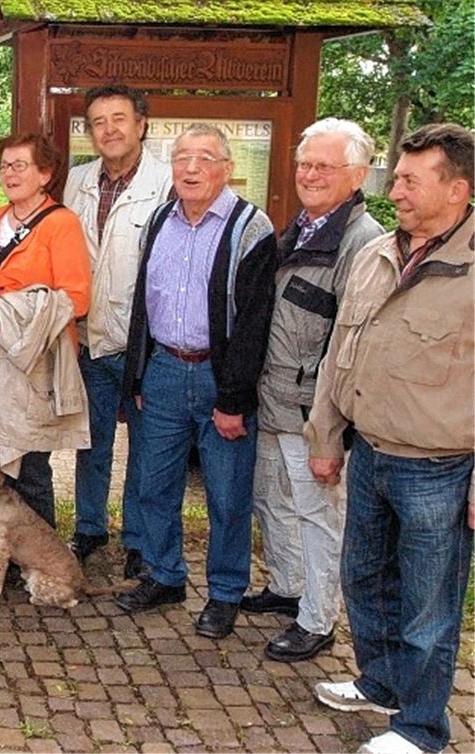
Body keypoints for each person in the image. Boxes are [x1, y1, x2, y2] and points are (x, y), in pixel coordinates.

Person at [306, 123, 473, 754]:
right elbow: (340, 352)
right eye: (395, 176)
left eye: (409, 179)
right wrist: (326, 434)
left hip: (441, 466)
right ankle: (382, 683)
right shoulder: (379, 253)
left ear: (456, 189)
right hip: (369, 451)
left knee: (429, 608)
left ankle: (422, 728)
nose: (393, 188)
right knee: (365, 580)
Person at [114, 124, 277, 641]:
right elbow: (144, 302)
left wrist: (233, 398)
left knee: (228, 497)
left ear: (226, 168)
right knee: (153, 485)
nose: (190, 168)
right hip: (162, 371)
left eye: (204, 158)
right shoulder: (160, 219)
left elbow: (254, 323)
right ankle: (165, 576)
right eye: (182, 157)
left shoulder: (251, 228)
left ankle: (225, 592)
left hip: (218, 377)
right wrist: (137, 374)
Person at [242, 118, 384, 663]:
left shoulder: (361, 243)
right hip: (273, 399)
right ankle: (288, 585)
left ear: (357, 174)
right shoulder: (301, 228)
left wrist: (331, 429)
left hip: (312, 413)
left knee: (319, 515)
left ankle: (318, 619)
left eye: (325, 166)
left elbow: (352, 346)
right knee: (274, 500)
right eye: (305, 164)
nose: (310, 174)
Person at [0, 133, 91, 530]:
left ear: (45, 173)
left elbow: (76, 298)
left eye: (20, 166)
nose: (9, 174)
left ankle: (40, 555)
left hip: (32, 362)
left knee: (29, 467)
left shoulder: (61, 224)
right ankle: (5, 552)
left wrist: (0, 311)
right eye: (4, 166)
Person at [63, 84, 172, 576]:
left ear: (141, 124)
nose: (108, 130)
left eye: (119, 119)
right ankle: (89, 528)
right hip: (90, 339)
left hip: (145, 347)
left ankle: (138, 538)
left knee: (147, 452)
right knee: (91, 443)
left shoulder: (168, 183)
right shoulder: (76, 181)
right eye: (98, 122)